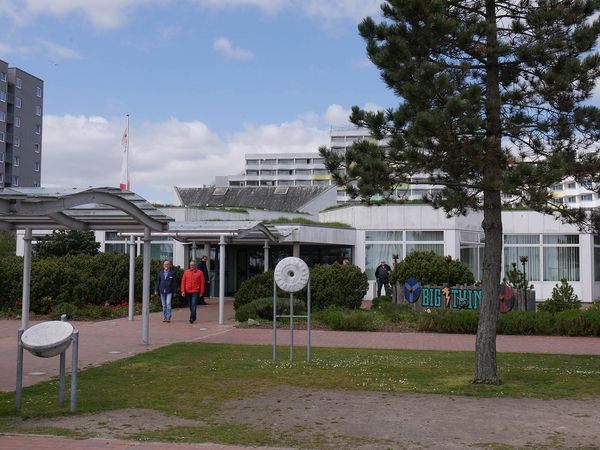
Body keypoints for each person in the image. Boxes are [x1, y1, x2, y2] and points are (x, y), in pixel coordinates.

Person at [181, 259, 205, 324]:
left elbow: (202, 283)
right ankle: (194, 315)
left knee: (193, 304)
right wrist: (183, 291)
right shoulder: (186, 272)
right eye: (191, 265)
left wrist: (201, 292)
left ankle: (192, 318)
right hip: (187, 291)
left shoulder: (200, 272)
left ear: (195, 265)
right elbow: (183, 282)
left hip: (195, 291)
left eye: (193, 265)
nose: (192, 266)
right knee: (190, 305)